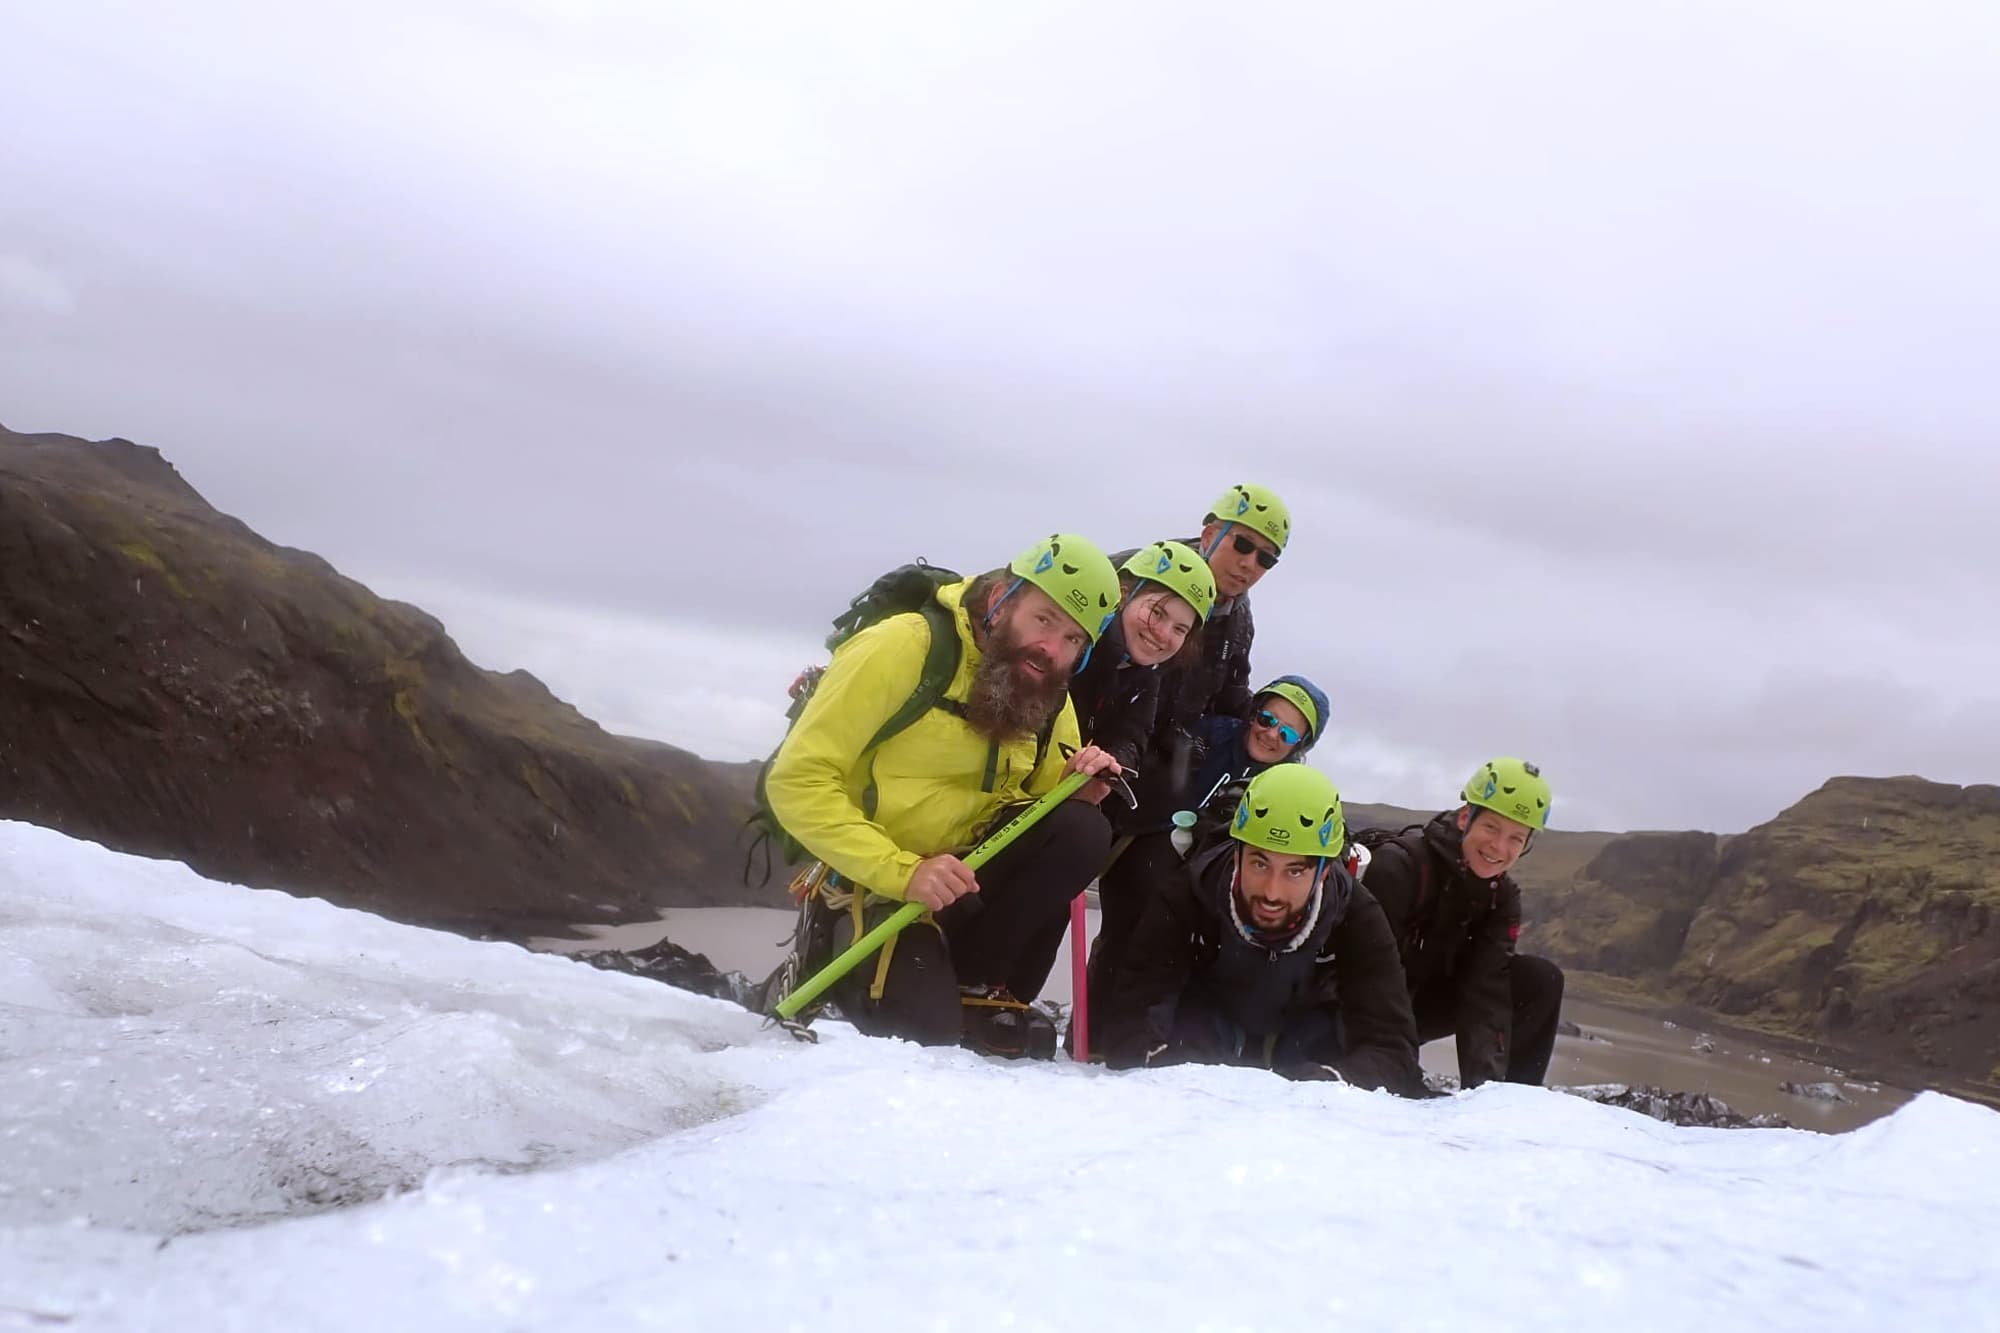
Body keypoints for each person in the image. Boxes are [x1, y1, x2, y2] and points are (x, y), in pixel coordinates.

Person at [764, 533, 1127, 1057]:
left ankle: (974, 983)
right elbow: (797, 780)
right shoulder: (904, 647)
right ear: (1002, 597)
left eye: (1073, 638)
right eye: (1043, 619)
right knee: (928, 1040)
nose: (1051, 648)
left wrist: (1079, 789)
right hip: (882, 886)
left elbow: (1038, 804)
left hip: (963, 885)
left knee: (1082, 829)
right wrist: (903, 872)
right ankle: (829, 946)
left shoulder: (1047, 693)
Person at [1099, 764, 1425, 1095]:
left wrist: (1326, 1084)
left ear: (1324, 873)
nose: (1271, 892)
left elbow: (1392, 1048)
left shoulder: (1355, 914)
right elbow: (1132, 1017)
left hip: (1304, 1035)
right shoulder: (1188, 894)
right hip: (1209, 1025)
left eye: (1294, 871)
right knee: (1189, 1041)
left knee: (1321, 1046)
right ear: (1237, 855)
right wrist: (1166, 1069)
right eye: (1259, 863)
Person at [1085, 674, 1331, 1020]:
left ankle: (1154, 1031)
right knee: (1128, 933)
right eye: (1267, 719)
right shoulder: (1210, 735)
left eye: (1288, 734)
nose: (1271, 734)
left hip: (1211, 886)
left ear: (1300, 745)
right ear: (1253, 713)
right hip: (1147, 860)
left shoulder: (1288, 789)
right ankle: (1095, 1028)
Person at [1355, 758, 1566, 1088]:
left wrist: (1484, 1091)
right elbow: (1368, 976)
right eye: (1492, 827)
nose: (1499, 847)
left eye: (1516, 838)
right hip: (1356, 1004)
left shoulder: (1501, 898)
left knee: (1541, 981)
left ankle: (1516, 1098)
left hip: (1418, 1005)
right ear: (1466, 817)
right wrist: (1397, 1066)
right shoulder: (1400, 867)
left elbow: (1486, 990)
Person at [1067, 540, 1217, 774]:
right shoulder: (1077, 644)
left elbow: (1131, 736)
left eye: (1180, 629)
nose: (1163, 634)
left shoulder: (1146, 676)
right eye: (1156, 612)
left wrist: (1110, 766)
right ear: (1124, 596)